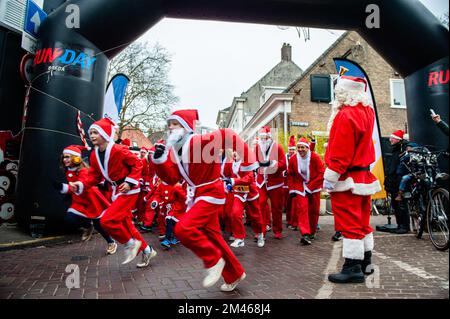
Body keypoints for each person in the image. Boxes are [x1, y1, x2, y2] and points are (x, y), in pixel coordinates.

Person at [150, 109, 258, 291]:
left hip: (211, 193)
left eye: (175, 123)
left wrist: (248, 161)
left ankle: (213, 260)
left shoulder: (199, 141)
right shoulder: (176, 150)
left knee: (183, 229)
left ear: (185, 126)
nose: (170, 127)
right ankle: (235, 273)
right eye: (169, 124)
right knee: (214, 237)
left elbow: (228, 134)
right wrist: (159, 161)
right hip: (197, 195)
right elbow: (172, 179)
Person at [69, 118, 157, 268]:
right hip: (117, 190)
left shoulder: (118, 149)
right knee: (128, 225)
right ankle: (148, 250)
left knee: (107, 221)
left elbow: (137, 164)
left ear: (104, 133)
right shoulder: (94, 154)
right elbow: (94, 176)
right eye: (90, 132)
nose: (92, 135)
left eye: (96, 132)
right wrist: (81, 184)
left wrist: (129, 182)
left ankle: (130, 245)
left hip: (129, 189)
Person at [324, 75, 382, 284]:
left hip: (347, 176)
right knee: (362, 222)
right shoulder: (367, 111)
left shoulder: (345, 115)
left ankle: (352, 267)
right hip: (363, 175)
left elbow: (341, 150)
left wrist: (331, 176)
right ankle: (366, 262)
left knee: (349, 223)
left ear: (343, 92)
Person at [55, 144, 117, 255]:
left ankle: (111, 242)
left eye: (68, 157)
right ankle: (88, 227)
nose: (65, 159)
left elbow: (80, 185)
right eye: (64, 157)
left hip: (91, 200)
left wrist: (64, 188)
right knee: (70, 218)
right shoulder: (68, 170)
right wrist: (68, 192)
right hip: (79, 200)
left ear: (76, 158)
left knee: (99, 225)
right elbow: (74, 187)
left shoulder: (83, 171)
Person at [222, 150, 265, 248]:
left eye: (237, 151)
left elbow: (249, 179)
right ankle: (240, 238)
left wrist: (233, 181)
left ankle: (260, 234)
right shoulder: (231, 163)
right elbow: (230, 176)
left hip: (250, 192)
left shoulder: (247, 163)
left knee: (255, 216)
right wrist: (228, 185)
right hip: (239, 191)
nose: (235, 153)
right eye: (234, 151)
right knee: (235, 213)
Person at [287, 137, 324, 245]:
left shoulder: (315, 157)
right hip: (300, 185)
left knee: (314, 210)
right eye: (298, 147)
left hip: (314, 185)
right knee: (302, 209)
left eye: (302, 147)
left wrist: (311, 187)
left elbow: (322, 173)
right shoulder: (293, 158)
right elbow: (290, 174)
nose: (300, 149)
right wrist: (292, 189)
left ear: (307, 148)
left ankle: (312, 232)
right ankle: (305, 234)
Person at [255, 126, 287, 239]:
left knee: (276, 208)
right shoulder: (257, 148)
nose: (263, 140)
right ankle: (261, 231)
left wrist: (273, 164)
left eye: (265, 137)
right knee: (260, 205)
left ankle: (277, 230)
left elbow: (284, 165)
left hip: (275, 182)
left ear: (269, 137)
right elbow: (254, 162)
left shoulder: (278, 147)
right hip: (261, 182)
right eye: (261, 137)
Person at [383, 129, 410, 234]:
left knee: (400, 205)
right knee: (398, 205)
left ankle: (404, 226)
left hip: (397, 183)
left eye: (392, 138)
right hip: (395, 182)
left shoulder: (400, 150)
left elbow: (395, 169)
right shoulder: (396, 150)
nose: (390, 140)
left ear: (397, 139)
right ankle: (401, 225)